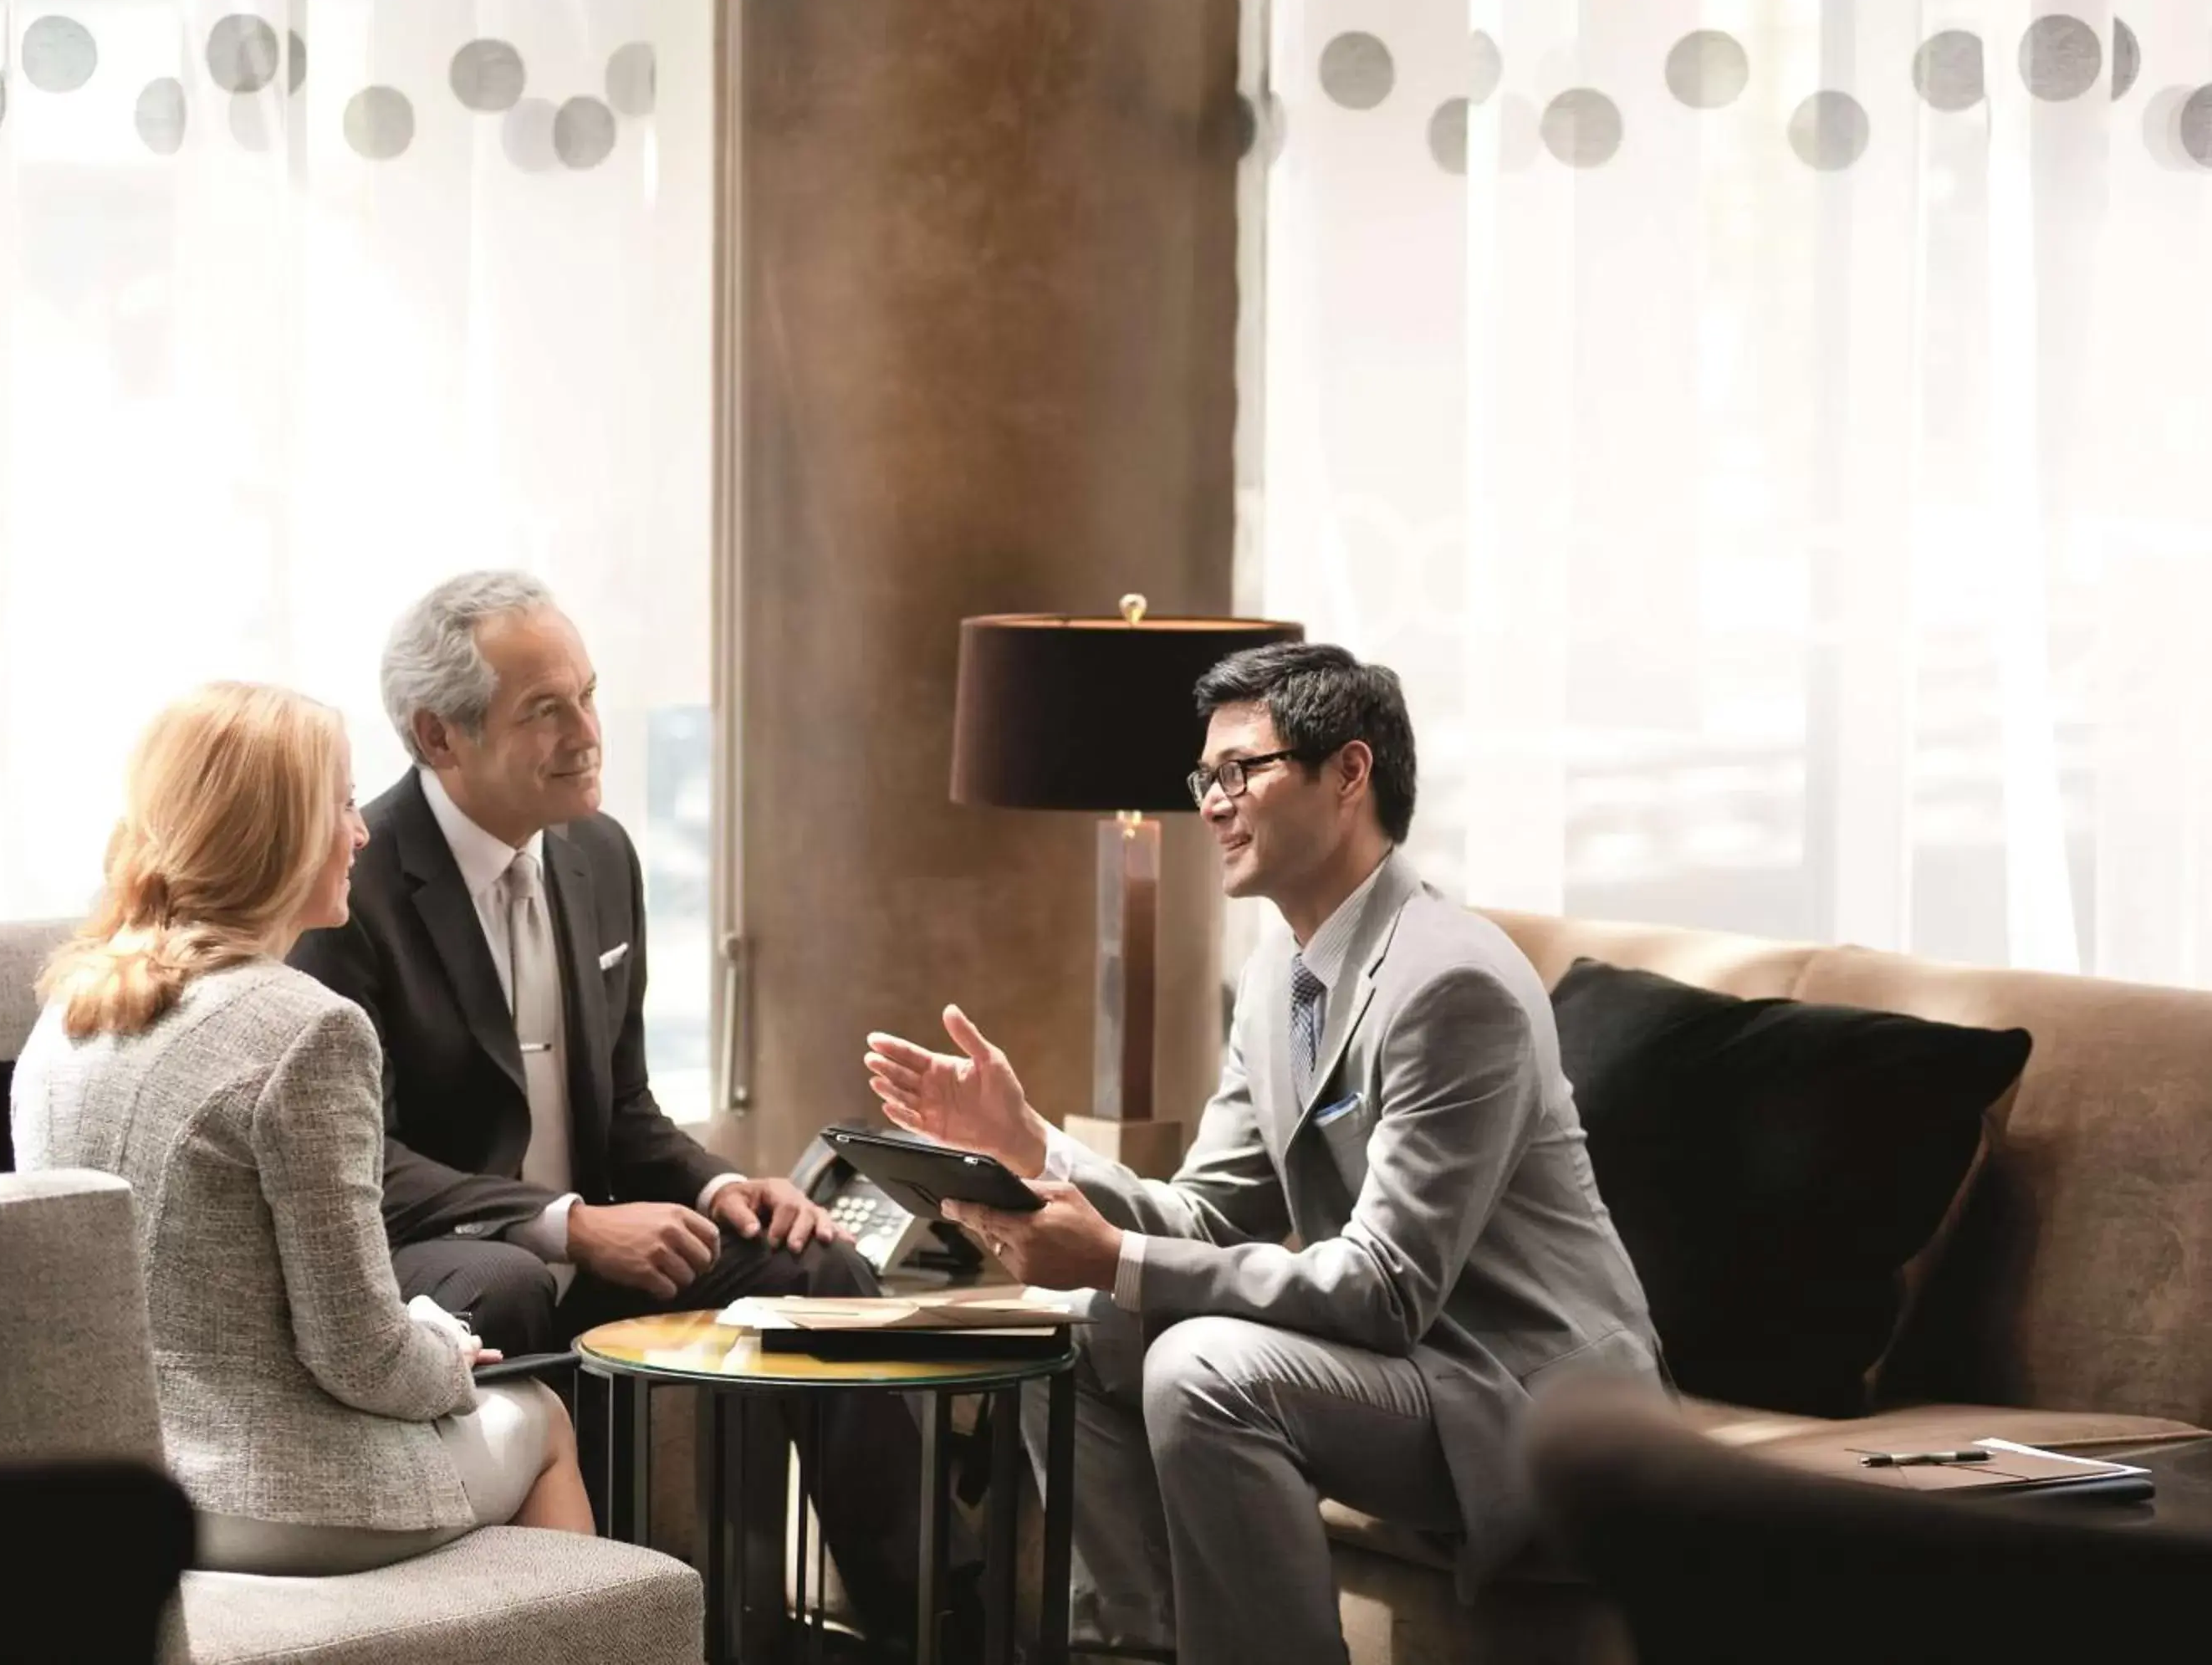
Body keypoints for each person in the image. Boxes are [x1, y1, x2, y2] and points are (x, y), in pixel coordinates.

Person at [865, 642, 1663, 1665]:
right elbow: (1205, 1216)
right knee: (1073, 1325)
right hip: (1407, 1371)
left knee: (1204, 1367)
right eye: (1206, 776)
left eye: (1243, 769)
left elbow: (1383, 1290)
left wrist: (1111, 1255)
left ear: (1350, 772)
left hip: (1528, 1400)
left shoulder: (1452, 984)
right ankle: (1133, 1649)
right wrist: (1029, 1144)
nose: (1213, 801)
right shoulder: (1282, 967)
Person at [289, 569, 941, 1641]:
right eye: (544, 710)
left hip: (591, 1249)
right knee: (507, 1286)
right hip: (444, 1265)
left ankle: (926, 1633)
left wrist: (723, 1185)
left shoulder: (597, 852)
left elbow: (625, 1106)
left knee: (814, 1262)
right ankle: (609, 1629)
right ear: (438, 736)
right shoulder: (349, 877)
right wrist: (569, 1224)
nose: (588, 732)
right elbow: (367, 1160)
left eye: (588, 695)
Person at [13, 682, 593, 1575]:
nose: (362, 832)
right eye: (345, 804)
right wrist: (443, 1349)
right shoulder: (308, 1029)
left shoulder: (69, 1013)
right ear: (280, 831)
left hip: (121, 1486)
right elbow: (358, 1355)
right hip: (283, 1493)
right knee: (545, 1419)